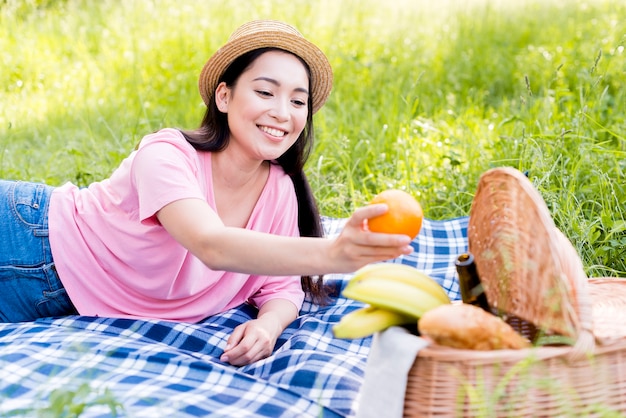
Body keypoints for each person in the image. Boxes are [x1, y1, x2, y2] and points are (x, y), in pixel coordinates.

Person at [0, 20, 412, 365]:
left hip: (61, 302)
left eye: (298, 101)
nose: (283, 113)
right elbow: (210, 244)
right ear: (225, 95)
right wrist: (334, 253)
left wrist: (267, 325)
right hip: (28, 241)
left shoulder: (280, 190)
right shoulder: (166, 154)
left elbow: (281, 286)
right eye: (266, 92)